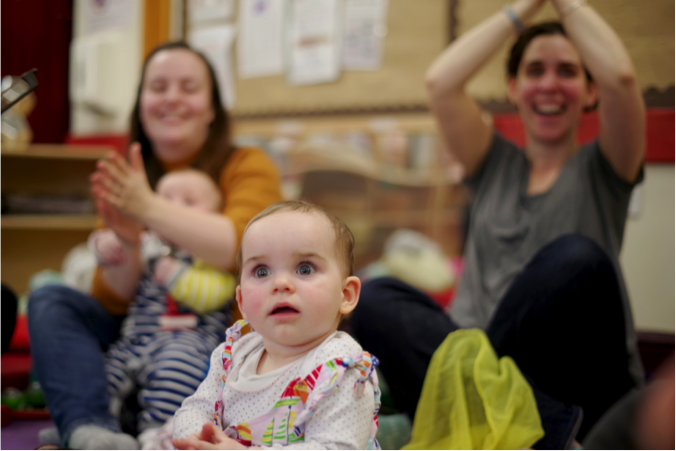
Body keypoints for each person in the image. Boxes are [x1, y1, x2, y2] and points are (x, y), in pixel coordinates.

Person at [351, 0, 645, 449]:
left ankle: (476, 413)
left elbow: (623, 78)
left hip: (570, 378)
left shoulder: (605, 169)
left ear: (590, 91)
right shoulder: (491, 163)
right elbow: (441, 81)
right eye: (534, 71)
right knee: (374, 295)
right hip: (474, 367)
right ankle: (531, 431)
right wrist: (523, 8)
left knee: (576, 256)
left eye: (567, 71)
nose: (549, 84)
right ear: (513, 86)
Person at [28, 42, 283, 450]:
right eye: (158, 87)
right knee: (49, 300)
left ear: (212, 107)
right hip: (138, 329)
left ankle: (161, 434)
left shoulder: (246, 163)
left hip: (213, 337)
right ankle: (89, 431)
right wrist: (126, 242)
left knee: (183, 362)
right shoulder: (129, 172)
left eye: (188, 87)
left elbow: (246, 249)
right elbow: (113, 297)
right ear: (141, 103)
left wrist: (148, 206)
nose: (172, 99)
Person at [172, 201, 381, 450]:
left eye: (305, 269)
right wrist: (196, 438)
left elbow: (336, 447)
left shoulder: (341, 368)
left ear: (345, 295)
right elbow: (196, 408)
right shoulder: (233, 356)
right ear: (242, 302)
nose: (281, 283)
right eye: (261, 272)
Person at [87, 168, 237, 439]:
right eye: (166, 201)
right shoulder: (149, 244)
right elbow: (112, 244)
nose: (174, 210)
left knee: (177, 374)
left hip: (189, 341)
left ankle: (159, 433)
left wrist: (173, 273)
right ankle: (96, 426)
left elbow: (215, 295)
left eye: (189, 202)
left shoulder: (211, 258)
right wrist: (107, 245)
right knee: (104, 373)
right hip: (136, 338)